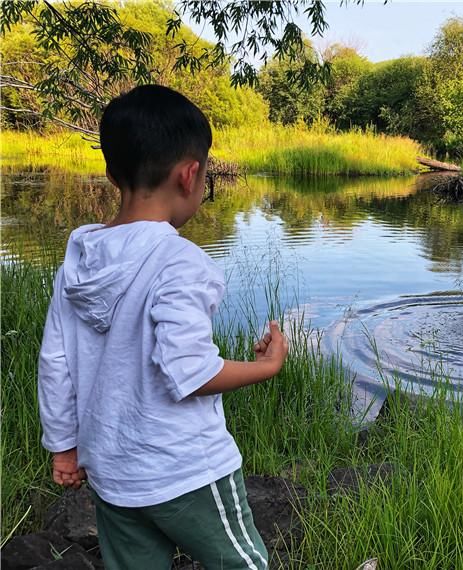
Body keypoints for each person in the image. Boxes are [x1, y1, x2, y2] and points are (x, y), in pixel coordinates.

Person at [37, 84, 288, 570]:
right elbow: (189, 373)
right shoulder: (178, 261)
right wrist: (267, 367)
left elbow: (56, 365)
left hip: (113, 473)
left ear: (112, 173)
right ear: (190, 175)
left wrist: (64, 447)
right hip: (187, 470)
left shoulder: (76, 265)